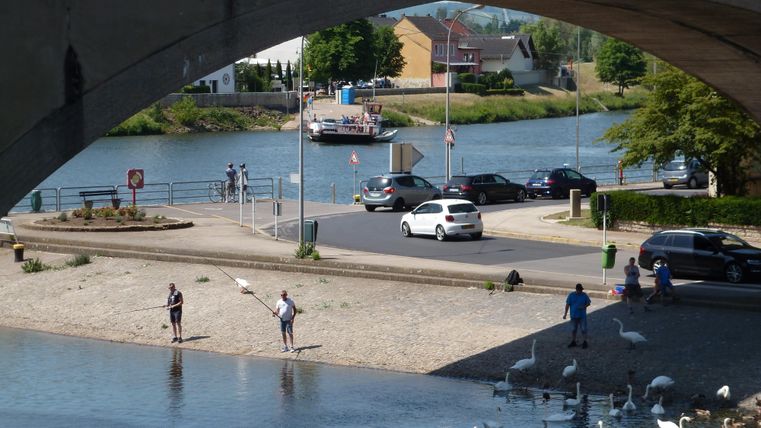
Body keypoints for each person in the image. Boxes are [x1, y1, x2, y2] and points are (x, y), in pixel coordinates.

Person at [563, 283, 591, 349]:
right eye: (579, 290)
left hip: (582, 316)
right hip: (573, 315)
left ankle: (585, 341)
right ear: (576, 290)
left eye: (581, 290)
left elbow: (588, 303)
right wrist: (565, 314)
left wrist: (584, 306)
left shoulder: (584, 295)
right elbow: (567, 305)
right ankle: (573, 341)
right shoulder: (571, 295)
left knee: (583, 329)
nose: (580, 291)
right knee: (573, 329)